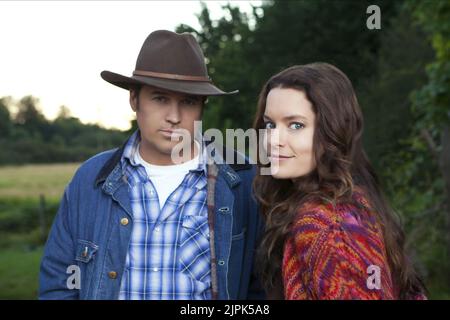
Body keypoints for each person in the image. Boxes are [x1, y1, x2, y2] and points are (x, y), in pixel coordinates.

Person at [39, 30, 263, 300]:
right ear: (134, 99)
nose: (174, 116)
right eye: (160, 98)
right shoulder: (91, 179)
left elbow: (260, 288)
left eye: (188, 102)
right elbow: (60, 283)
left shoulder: (243, 180)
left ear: (202, 106)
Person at [252, 62, 426, 299]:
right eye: (270, 124)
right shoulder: (350, 203)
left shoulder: (326, 225)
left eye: (295, 125)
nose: (273, 140)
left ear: (332, 131)